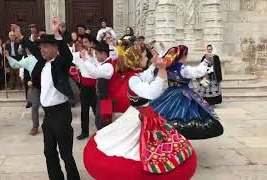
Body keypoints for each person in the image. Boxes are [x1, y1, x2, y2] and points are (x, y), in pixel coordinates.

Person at [83, 48, 197, 180]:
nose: (146, 59)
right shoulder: (133, 79)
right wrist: (161, 72)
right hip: (140, 115)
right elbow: (152, 92)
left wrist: (155, 64)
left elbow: (147, 75)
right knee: (134, 143)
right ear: (136, 60)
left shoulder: (136, 75)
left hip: (145, 113)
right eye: (143, 57)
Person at [12, 17, 81, 180]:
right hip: (48, 115)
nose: (42, 50)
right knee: (49, 152)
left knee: (66, 154)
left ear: (55, 48)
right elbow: (33, 49)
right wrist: (21, 37)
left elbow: (67, 56)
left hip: (61, 113)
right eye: (41, 47)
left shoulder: (60, 63)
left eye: (45, 47)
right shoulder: (43, 64)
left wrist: (57, 33)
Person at [149, 45, 224, 140]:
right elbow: (197, 72)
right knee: (184, 118)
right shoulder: (183, 68)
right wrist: (206, 61)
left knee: (167, 115)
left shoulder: (169, 66)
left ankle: (170, 138)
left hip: (170, 93)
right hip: (183, 94)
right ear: (183, 56)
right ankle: (178, 139)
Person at [76, 41, 114, 130]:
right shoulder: (105, 63)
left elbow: (94, 72)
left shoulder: (108, 66)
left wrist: (85, 59)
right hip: (102, 98)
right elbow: (97, 66)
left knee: (103, 123)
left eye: (96, 54)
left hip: (106, 100)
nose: (95, 56)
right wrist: (92, 58)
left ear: (103, 53)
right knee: (100, 120)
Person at [72, 34, 97, 140]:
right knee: (84, 111)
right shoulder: (80, 54)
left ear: (92, 43)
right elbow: (68, 55)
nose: (85, 44)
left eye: (87, 42)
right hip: (85, 87)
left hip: (96, 87)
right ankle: (84, 132)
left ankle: (102, 130)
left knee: (97, 111)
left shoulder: (97, 54)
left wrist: (91, 56)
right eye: (84, 42)